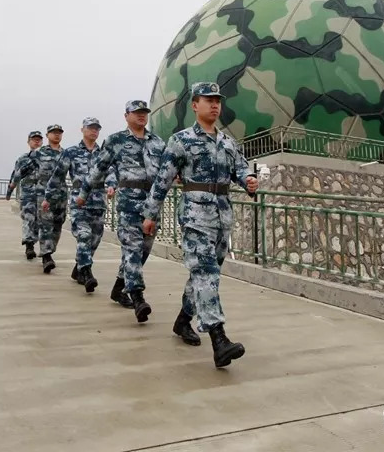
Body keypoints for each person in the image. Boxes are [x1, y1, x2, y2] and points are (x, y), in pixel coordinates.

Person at [142, 82, 258, 368]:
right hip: (195, 216)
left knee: (204, 276)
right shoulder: (181, 140)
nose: (215, 105)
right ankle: (219, 340)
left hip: (222, 218)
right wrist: (150, 214)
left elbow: (241, 169)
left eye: (217, 100)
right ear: (195, 105)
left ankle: (183, 320)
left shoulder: (228, 142)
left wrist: (249, 181)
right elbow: (163, 180)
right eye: (208, 100)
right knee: (206, 274)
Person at [78, 100, 165, 322]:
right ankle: (137, 297)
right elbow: (99, 169)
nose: (141, 116)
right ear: (126, 116)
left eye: (144, 112)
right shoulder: (116, 140)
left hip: (152, 205)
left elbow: (168, 169)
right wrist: (84, 192)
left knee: (143, 250)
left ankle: (119, 287)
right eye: (136, 112)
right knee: (132, 248)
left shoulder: (157, 142)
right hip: (128, 203)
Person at [43, 117, 117, 293]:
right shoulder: (71, 152)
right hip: (79, 203)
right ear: (82, 130)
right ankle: (87, 273)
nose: (94, 131)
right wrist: (48, 197)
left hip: (98, 203)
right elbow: (57, 176)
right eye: (90, 128)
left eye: (97, 128)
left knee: (94, 240)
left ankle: (78, 267)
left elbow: (111, 172)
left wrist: (112, 185)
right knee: (84, 236)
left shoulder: (104, 154)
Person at [11, 124, 66, 273]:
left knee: (58, 223)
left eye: (59, 132)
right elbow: (20, 171)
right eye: (53, 132)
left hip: (60, 195)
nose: (57, 135)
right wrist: (12, 185)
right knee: (38, 221)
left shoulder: (66, 154)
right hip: (38, 194)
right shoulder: (37, 154)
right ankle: (43, 254)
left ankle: (49, 249)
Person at [6, 130, 44, 260]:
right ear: (29, 142)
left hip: (42, 194)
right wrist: (10, 190)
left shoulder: (46, 158)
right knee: (28, 218)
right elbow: (15, 174)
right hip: (28, 193)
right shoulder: (23, 159)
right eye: (34, 139)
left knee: (39, 221)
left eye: (39, 139)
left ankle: (34, 241)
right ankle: (29, 246)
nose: (37, 141)